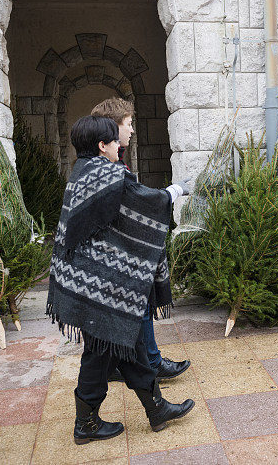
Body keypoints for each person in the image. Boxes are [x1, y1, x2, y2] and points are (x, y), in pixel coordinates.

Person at [47, 115, 194, 445]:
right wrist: (177, 190)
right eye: (115, 142)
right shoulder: (109, 175)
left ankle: (155, 409)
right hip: (98, 286)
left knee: (122, 345)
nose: (119, 146)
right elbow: (146, 200)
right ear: (102, 146)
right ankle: (87, 425)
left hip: (82, 280)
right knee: (104, 351)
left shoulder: (81, 173)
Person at [90, 98, 190, 382]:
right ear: (113, 128)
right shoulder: (106, 166)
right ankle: (148, 366)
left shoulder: (110, 162)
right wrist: (173, 192)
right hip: (117, 255)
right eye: (129, 124)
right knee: (137, 306)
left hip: (118, 253)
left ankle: (144, 364)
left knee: (137, 309)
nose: (132, 130)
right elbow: (138, 200)